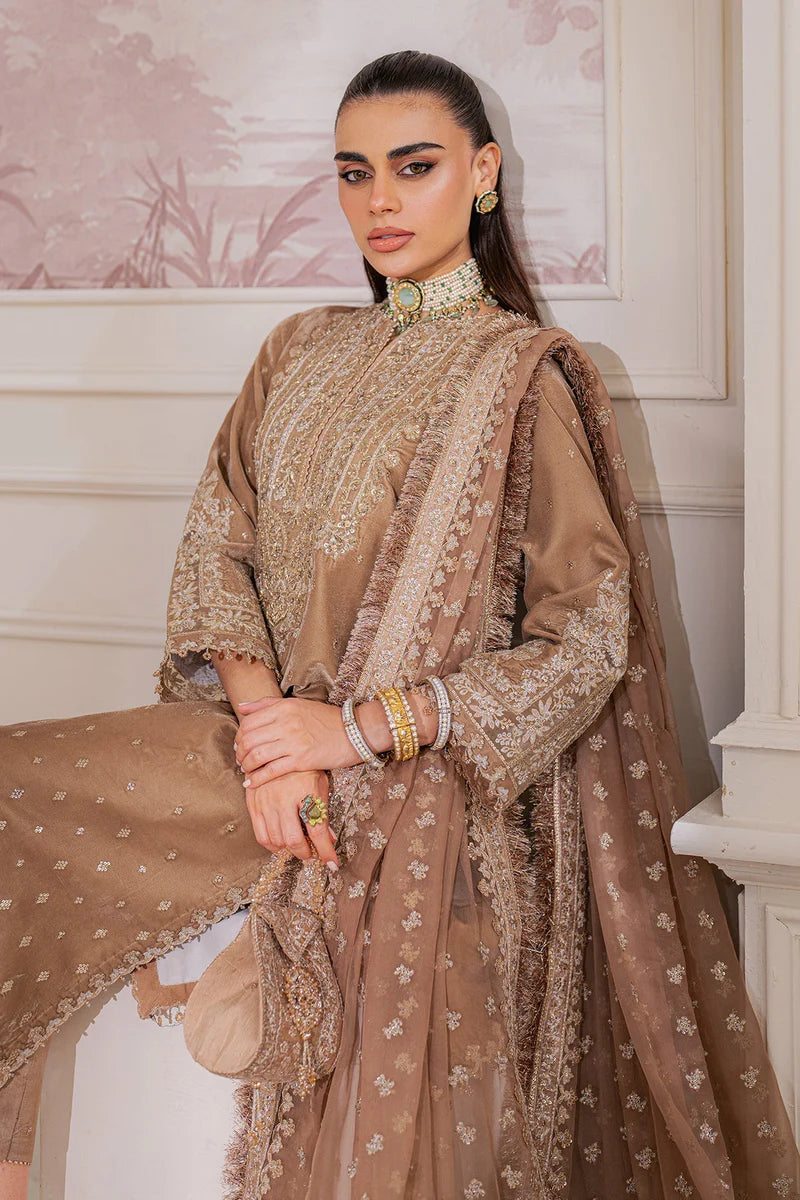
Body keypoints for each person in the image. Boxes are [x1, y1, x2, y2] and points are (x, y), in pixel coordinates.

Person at [1, 46, 798, 1200]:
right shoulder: (297, 350)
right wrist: (273, 729)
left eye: (412, 167)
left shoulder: (523, 375)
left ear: (479, 176)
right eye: (352, 172)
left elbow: (584, 642)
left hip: (410, 773)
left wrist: (354, 732)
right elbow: (215, 546)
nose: (377, 201)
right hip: (259, 743)